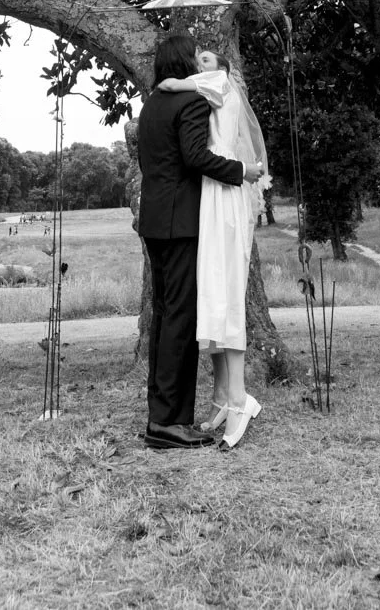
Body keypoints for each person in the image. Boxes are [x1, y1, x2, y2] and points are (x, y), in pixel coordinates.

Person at [137, 32, 263, 451]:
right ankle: (170, 422)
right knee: (179, 320)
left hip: (155, 221)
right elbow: (195, 156)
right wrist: (240, 171)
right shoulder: (190, 101)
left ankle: (159, 415)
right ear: (184, 61)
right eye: (194, 56)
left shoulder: (152, 104)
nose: (197, 62)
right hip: (181, 224)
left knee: (162, 317)